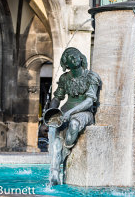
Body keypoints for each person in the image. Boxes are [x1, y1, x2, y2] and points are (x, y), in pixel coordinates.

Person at [45, 47, 101, 185]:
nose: (73, 58)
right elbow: (57, 98)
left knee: (74, 125)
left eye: (75, 55)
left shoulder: (91, 77)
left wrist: (70, 112)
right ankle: (54, 173)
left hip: (84, 112)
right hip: (65, 110)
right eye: (69, 58)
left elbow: (89, 101)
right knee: (56, 137)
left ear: (81, 57)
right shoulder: (65, 78)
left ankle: (63, 153)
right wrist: (50, 113)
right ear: (66, 64)